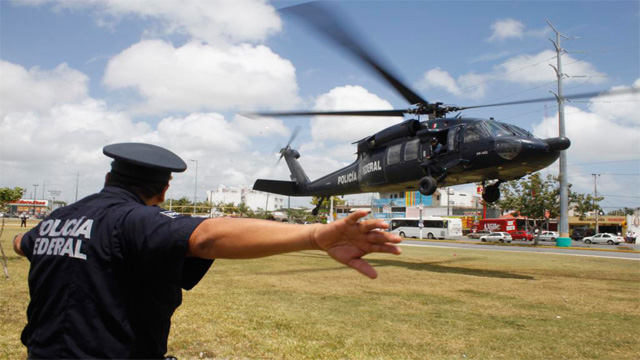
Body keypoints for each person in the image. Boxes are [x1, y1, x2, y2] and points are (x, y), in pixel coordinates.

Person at [12, 142, 402, 359]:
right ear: (164, 190)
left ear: (108, 177)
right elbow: (205, 236)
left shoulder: (57, 220)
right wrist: (315, 236)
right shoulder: (132, 221)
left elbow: (21, 244)